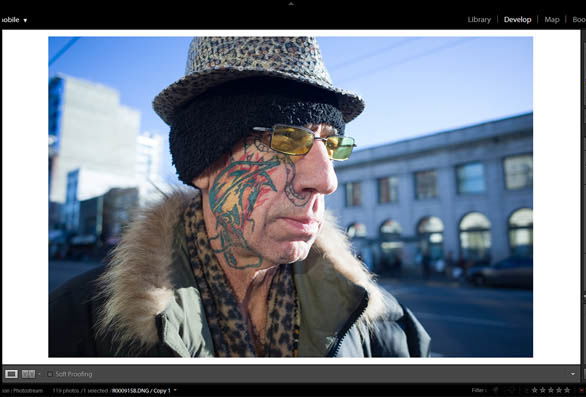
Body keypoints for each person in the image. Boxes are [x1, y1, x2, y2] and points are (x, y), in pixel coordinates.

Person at [49, 36, 430, 358]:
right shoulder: (77, 328)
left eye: (331, 145)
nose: (326, 180)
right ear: (203, 164)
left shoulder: (380, 326)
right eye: (288, 138)